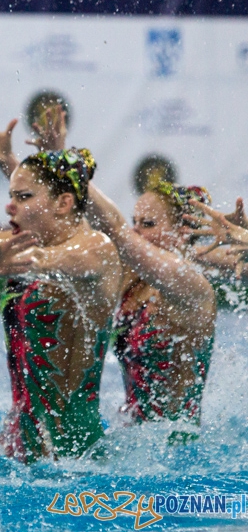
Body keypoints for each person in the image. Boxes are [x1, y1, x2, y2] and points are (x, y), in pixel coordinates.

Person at [0, 148, 123, 462]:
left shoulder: (96, 248)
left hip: (76, 461)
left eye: (22, 197)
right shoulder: (27, 244)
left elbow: (56, 259)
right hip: (19, 450)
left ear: (63, 203)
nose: (9, 206)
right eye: (12, 195)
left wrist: (26, 259)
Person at [86, 180, 217, 442]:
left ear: (182, 232)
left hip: (177, 451)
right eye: (135, 223)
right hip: (136, 442)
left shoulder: (191, 288)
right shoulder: (134, 281)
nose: (135, 233)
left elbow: (114, 229)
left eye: (148, 225)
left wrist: (71, 170)